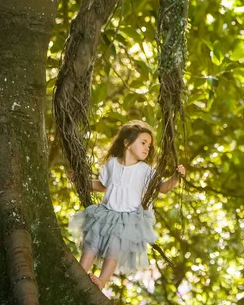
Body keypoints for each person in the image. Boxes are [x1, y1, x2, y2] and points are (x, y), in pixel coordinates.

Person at [68, 120, 185, 289]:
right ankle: (79, 273)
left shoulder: (145, 171)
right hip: (105, 213)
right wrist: (80, 180)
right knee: (91, 244)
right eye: (143, 143)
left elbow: (163, 188)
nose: (147, 148)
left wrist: (176, 177)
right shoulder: (112, 164)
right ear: (127, 143)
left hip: (127, 219)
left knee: (113, 249)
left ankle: (101, 281)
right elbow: (102, 186)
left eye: (149, 145)